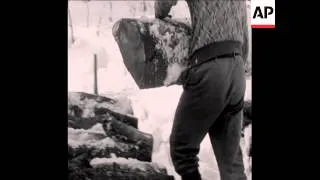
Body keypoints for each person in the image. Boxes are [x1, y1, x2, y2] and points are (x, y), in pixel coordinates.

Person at [154, 0, 249, 180]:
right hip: (236, 69)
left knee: (182, 150)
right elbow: (245, 35)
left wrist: (160, 13)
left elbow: (164, 3)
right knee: (232, 165)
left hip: (210, 67)